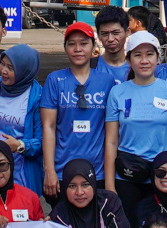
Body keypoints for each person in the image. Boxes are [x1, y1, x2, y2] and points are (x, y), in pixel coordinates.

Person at [104, 32, 167, 213]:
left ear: (158, 58)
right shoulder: (117, 92)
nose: (144, 60)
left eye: (150, 54)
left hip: (163, 175)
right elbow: (111, 142)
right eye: (138, 55)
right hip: (127, 175)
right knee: (129, 227)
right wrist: (110, 186)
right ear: (129, 60)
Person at [40, 22, 117, 197]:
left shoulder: (107, 81)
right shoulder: (54, 80)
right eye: (71, 44)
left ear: (93, 47)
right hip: (62, 171)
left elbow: (111, 131)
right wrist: (49, 170)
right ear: (65, 48)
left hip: (97, 171)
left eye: (83, 43)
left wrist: (110, 180)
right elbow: (48, 127)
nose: (78, 49)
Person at [0, 43, 45, 194]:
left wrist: (20, 145)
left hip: (19, 173)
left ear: (24, 71)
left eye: (11, 68)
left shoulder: (37, 97)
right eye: (2, 64)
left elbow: (43, 141)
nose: (4, 70)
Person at [50, 156, 131, 228]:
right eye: (72, 186)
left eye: (85, 185)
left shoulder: (109, 202)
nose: (79, 192)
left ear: (93, 184)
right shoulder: (58, 216)